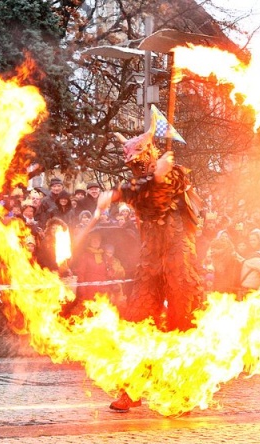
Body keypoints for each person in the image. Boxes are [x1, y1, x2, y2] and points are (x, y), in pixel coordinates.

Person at [96, 130, 204, 411]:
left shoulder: (176, 172)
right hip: (151, 260)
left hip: (179, 259)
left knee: (183, 321)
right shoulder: (137, 185)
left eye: (141, 162)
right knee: (136, 321)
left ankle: (184, 390)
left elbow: (165, 186)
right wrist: (116, 193)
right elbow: (142, 190)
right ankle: (131, 389)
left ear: (151, 155)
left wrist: (161, 174)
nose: (136, 168)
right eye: (133, 164)